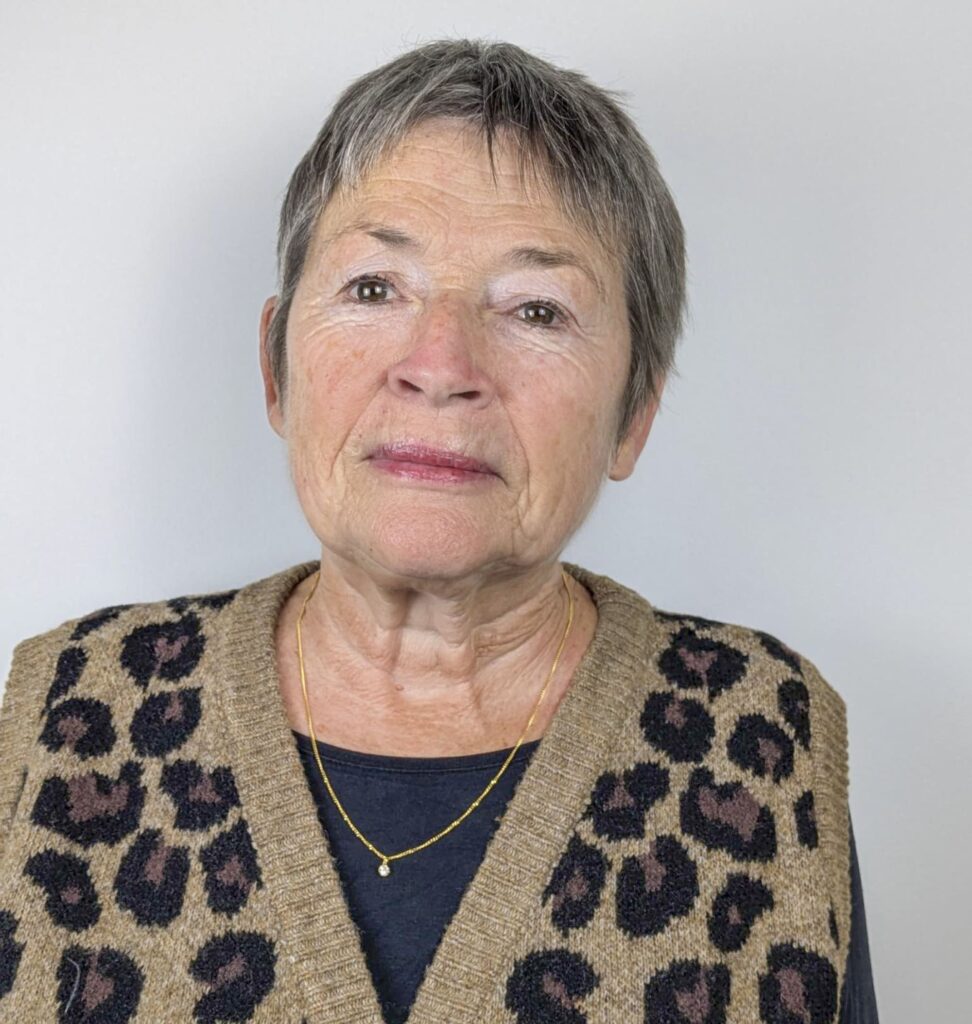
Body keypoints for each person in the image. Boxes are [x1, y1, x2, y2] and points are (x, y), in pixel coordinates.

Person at [0, 38, 877, 1024]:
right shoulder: (74, 710)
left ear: (634, 414)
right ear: (275, 369)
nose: (440, 364)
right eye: (375, 287)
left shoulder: (756, 741)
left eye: (536, 309)